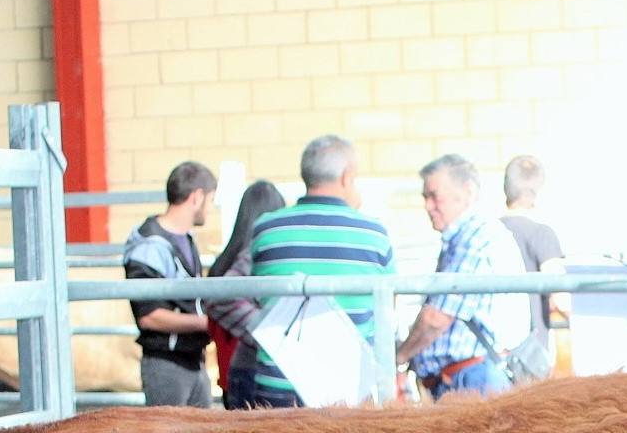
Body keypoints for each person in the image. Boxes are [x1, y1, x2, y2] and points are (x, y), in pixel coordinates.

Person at [243, 136, 396, 408]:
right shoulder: (373, 233)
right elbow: (386, 307)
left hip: (278, 384)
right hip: (347, 388)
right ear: (347, 177)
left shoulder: (267, 229)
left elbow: (259, 297)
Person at [396, 154, 529, 399]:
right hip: (467, 378)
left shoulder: (475, 237)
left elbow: (437, 318)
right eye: (425, 197)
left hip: (471, 380)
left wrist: (400, 358)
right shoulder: (469, 235)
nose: (428, 206)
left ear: (467, 191)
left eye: (435, 196)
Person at [123, 161, 218, 407]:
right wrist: (206, 323)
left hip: (193, 358)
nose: (211, 207)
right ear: (196, 197)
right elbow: (149, 316)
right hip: (166, 364)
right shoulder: (148, 246)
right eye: (210, 199)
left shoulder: (186, 238)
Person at [205, 179, 285, 408]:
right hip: (253, 369)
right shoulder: (256, 256)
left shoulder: (223, 263)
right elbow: (221, 298)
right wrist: (270, 332)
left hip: (232, 372)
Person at [499, 155, 569, 358]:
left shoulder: (488, 232)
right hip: (529, 355)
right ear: (538, 193)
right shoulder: (542, 235)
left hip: (492, 353)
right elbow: (560, 299)